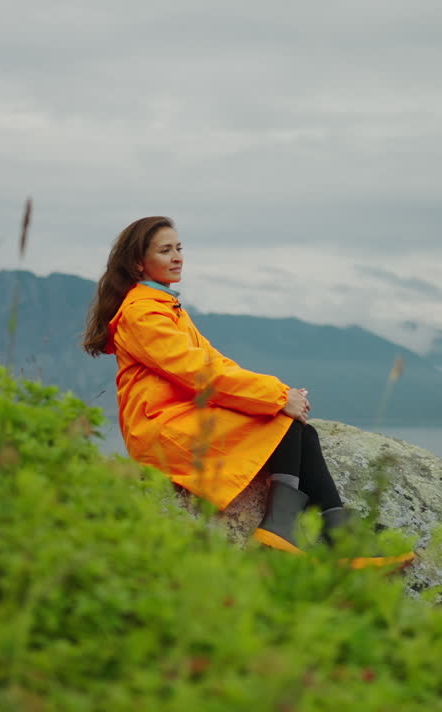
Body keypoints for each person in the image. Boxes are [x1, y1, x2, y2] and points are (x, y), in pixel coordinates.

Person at [82, 216, 412, 568]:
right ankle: (284, 529)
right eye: (166, 250)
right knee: (281, 423)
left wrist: (280, 393)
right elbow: (199, 374)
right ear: (137, 262)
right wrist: (276, 398)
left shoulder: (166, 307)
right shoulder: (143, 314)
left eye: (179, 248)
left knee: (301, 430)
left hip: (184, 416)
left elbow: (218, 364)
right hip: (163, 429)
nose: (177, 257)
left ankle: (337, 535)